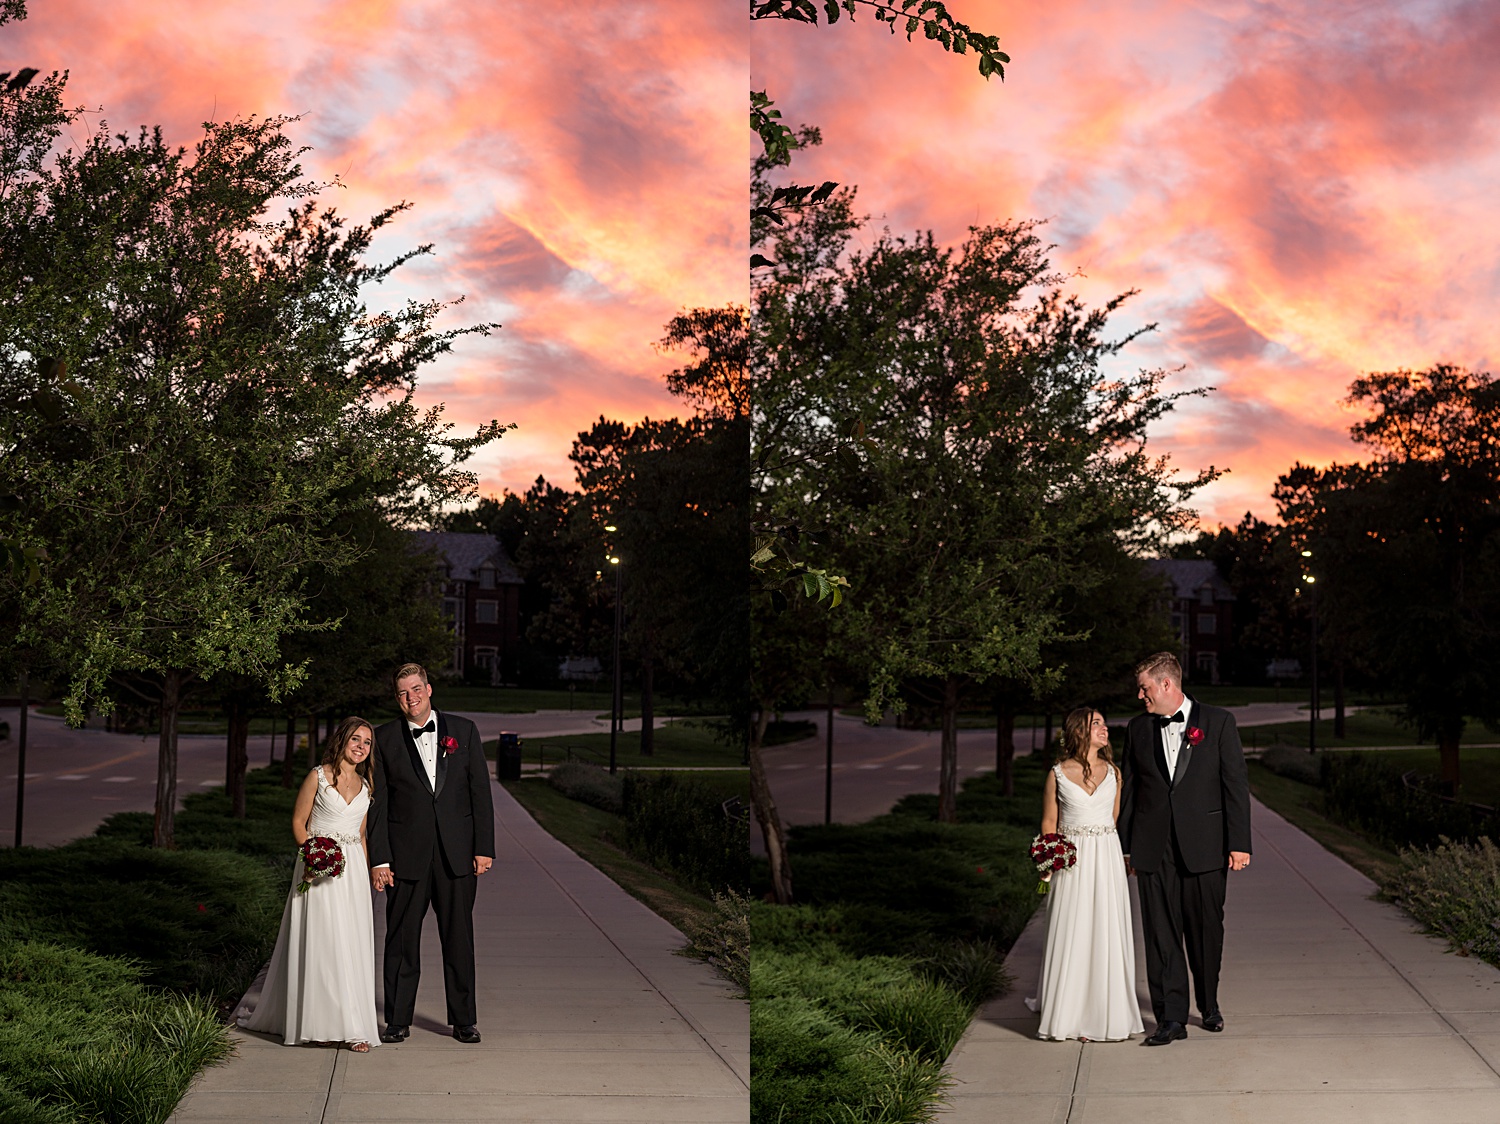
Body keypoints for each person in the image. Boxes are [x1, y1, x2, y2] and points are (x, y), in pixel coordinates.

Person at [1118, 651, 1252, 1045]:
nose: (1139, 696)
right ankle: (1170, 1018)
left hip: (1207, 846)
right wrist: (1127, 848)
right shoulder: (1138, 728)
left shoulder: (1219, 722)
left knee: (1206, 929)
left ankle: (1208, 1004)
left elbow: (1235, 787)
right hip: (1152, 847)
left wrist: (1239, 843)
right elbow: (1131, 791)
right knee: (1161, 934)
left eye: (1144, 688)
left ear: (1166, 684)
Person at [368, 662, 495, 1045]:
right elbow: (379, 803)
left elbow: (480, 794)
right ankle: (397, 1020)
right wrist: (380, 858)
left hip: (457, 856)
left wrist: (483, 848)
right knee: (402, 941)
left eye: (417, 689)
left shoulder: (464, 731)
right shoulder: (384, 738)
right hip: (407, 857)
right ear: (397, 698)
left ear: (429, 688)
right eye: (404, 692)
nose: (412, 697)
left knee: (459, 939)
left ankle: (464, 1020)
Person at [238, 717, 381, 1051]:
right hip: (317, 867)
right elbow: (299, 823)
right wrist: (314, 857)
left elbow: (360, 835)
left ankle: (353, 1027)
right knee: (322, 944)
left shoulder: (366, 784)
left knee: (350, 945)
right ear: (342, 740)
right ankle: (316, 1023)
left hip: (353, 873)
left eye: (367, 742)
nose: (361, 747)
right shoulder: (318, 775)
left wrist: (369, 870)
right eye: (355, 739)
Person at [1025, 708, 1144, 1042]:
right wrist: (1049, 860)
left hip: (1105, 857)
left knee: (1106, 929)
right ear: (1079, 731)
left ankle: (1105, 1014)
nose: (1104, 728)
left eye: (1104, 723)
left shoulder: (1115, 773)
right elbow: (1050, 822)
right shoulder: (1058, 774)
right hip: (1072, 861)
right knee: (1073, 929)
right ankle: (1070, 1014)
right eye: (1097, 724)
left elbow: (1114, 818)